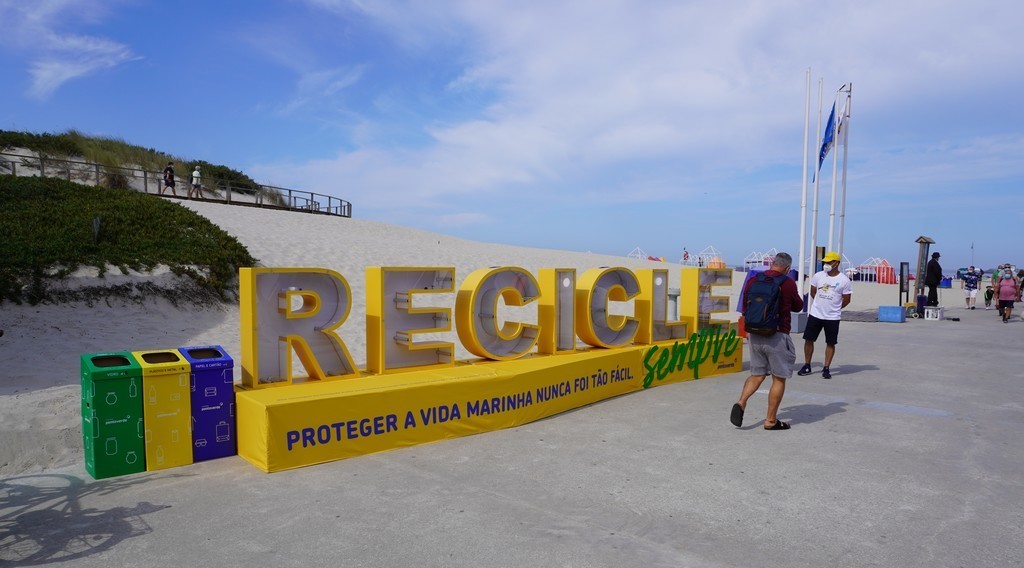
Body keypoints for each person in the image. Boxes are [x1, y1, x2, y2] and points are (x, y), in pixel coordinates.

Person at [730, 252, 803, 431]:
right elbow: (798, 306)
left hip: (755, 334)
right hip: (777, 336)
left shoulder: (754, 280)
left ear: (772, 263)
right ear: (787, 268)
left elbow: (745, 307)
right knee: (779, 378)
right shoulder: (787, 283)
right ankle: (770, 420)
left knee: (757, 374)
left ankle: (741, 402)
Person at [797, 251, 852, 380]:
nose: (826, 264)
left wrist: (835, 307)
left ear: (836, 263)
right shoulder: (818, 276)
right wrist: (820, 304)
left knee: (830, 342)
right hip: (815, 314)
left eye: (829, 262)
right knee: (809, 339)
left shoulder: (844, 280)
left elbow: (847, 299)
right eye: (825, 262)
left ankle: (826, 368)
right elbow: (813, 291)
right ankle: (807, 365)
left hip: (832, 317)